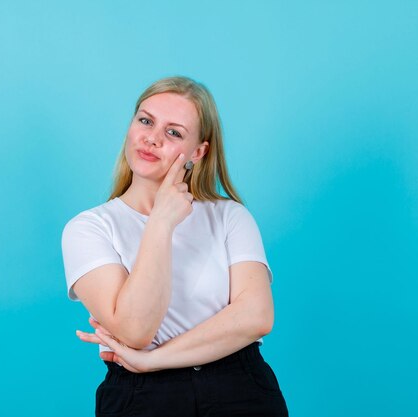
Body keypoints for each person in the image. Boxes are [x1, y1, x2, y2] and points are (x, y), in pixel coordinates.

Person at [61, 76, 288, 416]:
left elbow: (256, 317)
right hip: (142, 399)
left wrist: (152, 360)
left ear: (198, 152)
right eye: (145, 120)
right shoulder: (89, 228)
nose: (151, 138)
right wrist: (161, 223)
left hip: (241, 388)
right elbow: (136, 330)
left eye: (173, 132)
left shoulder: (230, 217)